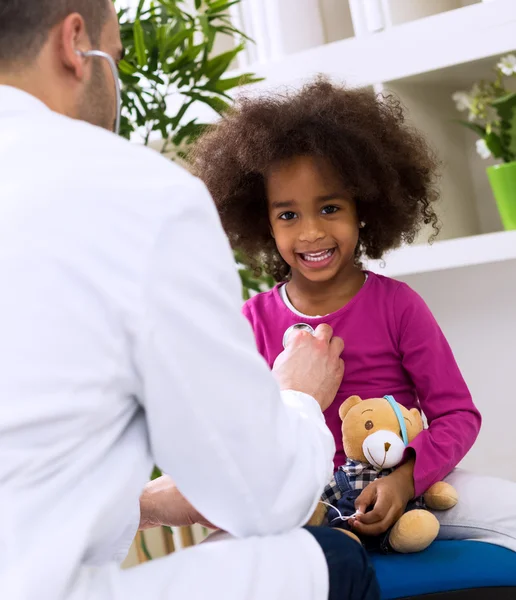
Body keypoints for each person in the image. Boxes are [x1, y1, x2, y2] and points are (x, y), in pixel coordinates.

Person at [0, 2, 380, 600]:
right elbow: (266, 495)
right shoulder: (137, 194)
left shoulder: (393, 304)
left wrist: (147, 504)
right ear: (76, 44)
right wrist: (299, 399)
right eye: (116, 59)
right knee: (331, 559)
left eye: (330, 208)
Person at [192, 78, 516, 551]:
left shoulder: (397, 304)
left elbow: (457, 415)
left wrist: (407, 477)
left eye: (329, 208)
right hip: (305, 503)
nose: (311, 233)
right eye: (288, 215)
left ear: (362, 209)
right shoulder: (252, 321)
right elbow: (238, 435)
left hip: (414, 487)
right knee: (215, 559)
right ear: (262, 221)